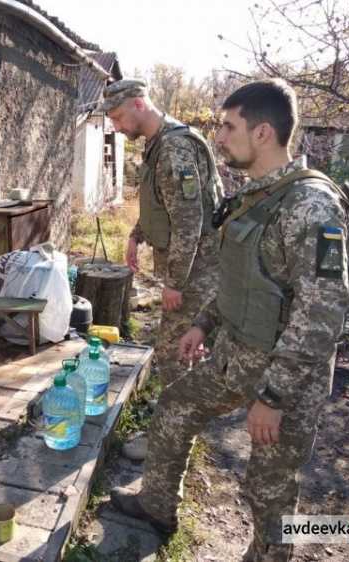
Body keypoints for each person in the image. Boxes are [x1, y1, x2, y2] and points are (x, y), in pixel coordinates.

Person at [110, 79, 349, 562]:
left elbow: (323, 313)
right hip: (237, 354)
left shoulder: (312, 206)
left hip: (285, 378)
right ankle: (158, 507)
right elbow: (241, 276)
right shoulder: (257, 195)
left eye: (227, 126)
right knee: (175, 409)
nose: (218, 137)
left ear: (262, 133)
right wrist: (203, 322)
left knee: (268, 487)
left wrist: (274, 398)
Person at [97, 79, 223, 460]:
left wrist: (174, 284)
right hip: (185, 269)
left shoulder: (175, 149)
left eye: (118, 117)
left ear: (139, 104)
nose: (116, 126)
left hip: (193, 273)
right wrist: (136, 235)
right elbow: (161, 205)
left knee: (172, 354)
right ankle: (179, 414)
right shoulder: (157, 143)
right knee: (181, 352)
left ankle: (169, 440)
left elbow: (189, 223)